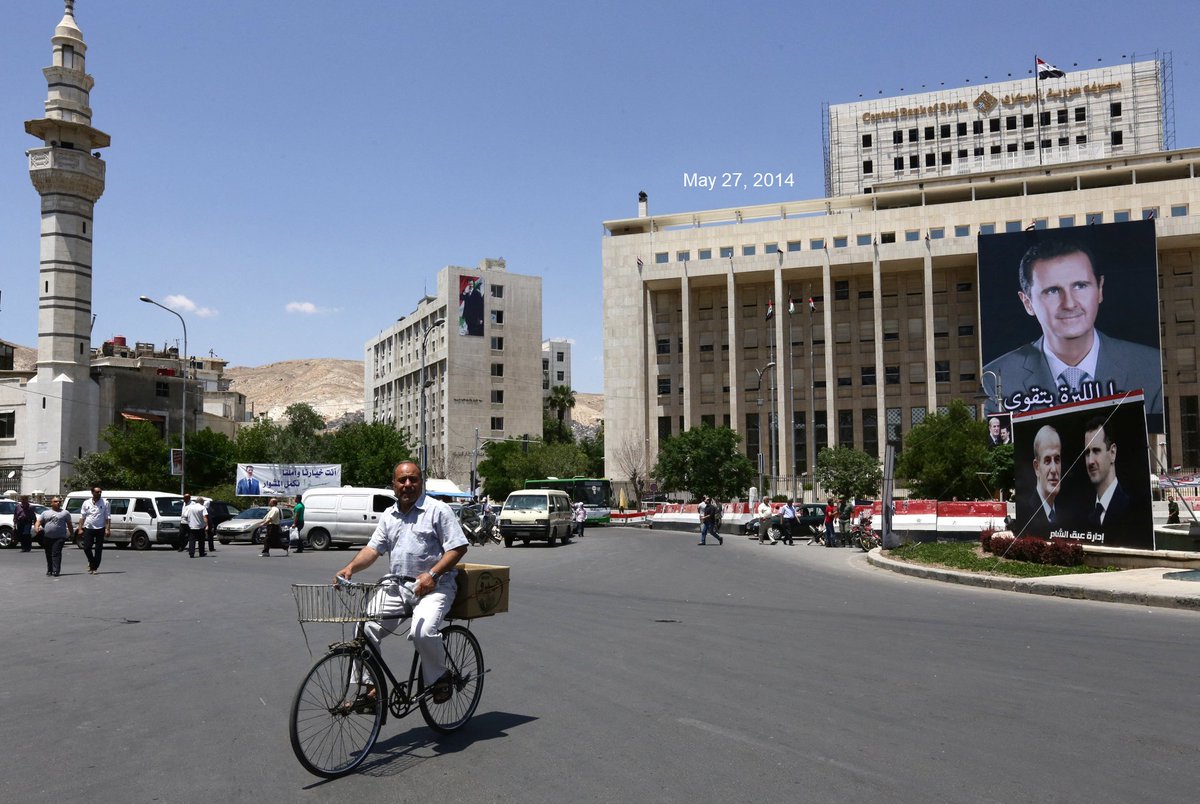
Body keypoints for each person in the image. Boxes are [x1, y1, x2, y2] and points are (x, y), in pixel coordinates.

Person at [333, 461, 468, 708]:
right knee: (364, 629)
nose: (408, 485)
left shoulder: (437, 510)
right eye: (402, 481)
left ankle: (441, 677)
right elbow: (373, 549)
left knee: (423, 632)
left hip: (434, 588)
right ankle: (372, 688)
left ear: (421, 482)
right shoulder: (389, 515)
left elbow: (458, 547)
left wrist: (433, 575)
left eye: (413, 479)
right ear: (393, 485)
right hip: (397, 588)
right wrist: (350, 567)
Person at [983, 236, 1162, 417]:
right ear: (1028, 303)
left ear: (1100, 289)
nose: (1069, 304)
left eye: (1080, 286)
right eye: (1052, 291)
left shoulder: (1152, 367)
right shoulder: (996, 379)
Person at [1082, 417, 1131, 534]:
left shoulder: (1130, 508)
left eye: (1096, 451)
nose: (1090, 461)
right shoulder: (1087, 512)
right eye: (1087, 453)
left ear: (1112, 453)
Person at [1021, 425, 1065, 536]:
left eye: (1057, 459)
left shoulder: (1063, 513)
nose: (1054, 470)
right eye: (1047, 460)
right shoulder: (1027, 513)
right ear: (1036, 467)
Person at [77, 486, 111, 575]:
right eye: (97, 492)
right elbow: (82, 516)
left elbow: (107, 517)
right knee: (87, 548)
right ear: (92, 493)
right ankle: (91, 562)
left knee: (98, 549)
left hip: (100, 528)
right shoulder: (86, 503)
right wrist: (80, 528)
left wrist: (107, 529)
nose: (99, 493)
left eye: (100, 492)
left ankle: (94, 568)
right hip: (88, 528)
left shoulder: (105, 503)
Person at [35, 496, 72, 577]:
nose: (58, 503)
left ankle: (56, 570)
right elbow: (38, 521)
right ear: (51, 503)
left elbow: (69, 524)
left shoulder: (65, 513)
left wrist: (71, 534)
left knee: (56, 553)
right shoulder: (45, 513)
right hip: (47, 537)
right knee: (48, 554)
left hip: (59, 537)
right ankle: (50, 570)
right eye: (55, 501)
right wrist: (36, 527)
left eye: (59, 501)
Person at [181, 493, 209, 558]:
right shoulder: (202, 508)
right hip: (200, 526)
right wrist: (207, 525)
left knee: (192, 540)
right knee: (201, 540)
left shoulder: (190, 507)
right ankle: (201, 553)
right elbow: (205, 517)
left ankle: (191, 553)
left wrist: (189, 522)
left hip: (192, 526)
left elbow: (185, 515)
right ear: (202, 502)